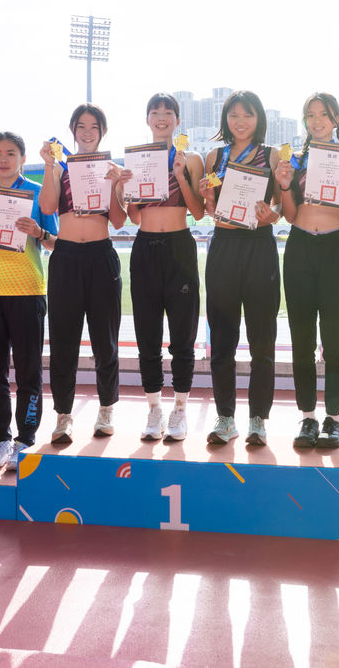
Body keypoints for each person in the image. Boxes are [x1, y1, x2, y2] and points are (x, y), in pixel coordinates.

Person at [0, 132, 59, 470]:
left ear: (22, 158)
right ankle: (0, 438)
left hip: (28, 291)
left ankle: (25, 439)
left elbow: (56, 243)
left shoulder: (38, 192)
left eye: (11, 153)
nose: (4, 159)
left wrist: (38, 233)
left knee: (29, 371)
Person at [273, 92, 339, 449]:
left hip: (334, 246)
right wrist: (284, 185)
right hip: (300, 245)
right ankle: (308, 416)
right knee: (301, 337)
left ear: (336, 119)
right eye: (310, 115)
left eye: (323, 114)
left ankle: (334, 418)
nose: (316, 121)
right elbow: (289, 214)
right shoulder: (294, 160)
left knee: (335, 336)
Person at [38, 104, 127, 445]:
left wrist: (116, 185)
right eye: (81, 126)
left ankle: (106, 409)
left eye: (94, 127)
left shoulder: (111, 168)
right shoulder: (60, 167)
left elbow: (118, 220)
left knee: (106, 340)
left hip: (101, 256)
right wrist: (49, 166)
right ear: (72, 131)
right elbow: (47, 207)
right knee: (63, 341)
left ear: (102, 132)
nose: (87, 132)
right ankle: (64, 415)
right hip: (66, 256)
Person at [198, 90, 281, 446]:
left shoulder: (272, 155)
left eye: (247, 115)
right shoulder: (214, 156)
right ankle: (226, 417)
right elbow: (209, 210)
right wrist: (206, 194)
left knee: (262, 340)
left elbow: (281, 205)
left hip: (260, 246)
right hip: (224, 245)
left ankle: (258, 419)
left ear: (258, 118)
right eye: (234, 115)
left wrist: (272, 214)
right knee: (222, 339)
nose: (240, 122)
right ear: (225, 120)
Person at [127, 94, 205, 442]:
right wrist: (125, 187)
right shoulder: (137, 158)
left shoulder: (191, 158)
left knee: (182, 335)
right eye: (155, 112)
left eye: (168, 113)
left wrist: (181, 176)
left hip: (179, 246)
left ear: (177, 120)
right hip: (145, 246)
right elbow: (132, 217)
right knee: (147, 335)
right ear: (147, 119)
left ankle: (180, 409)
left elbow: (199, 212)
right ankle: (154, 408)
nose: (161, 118)